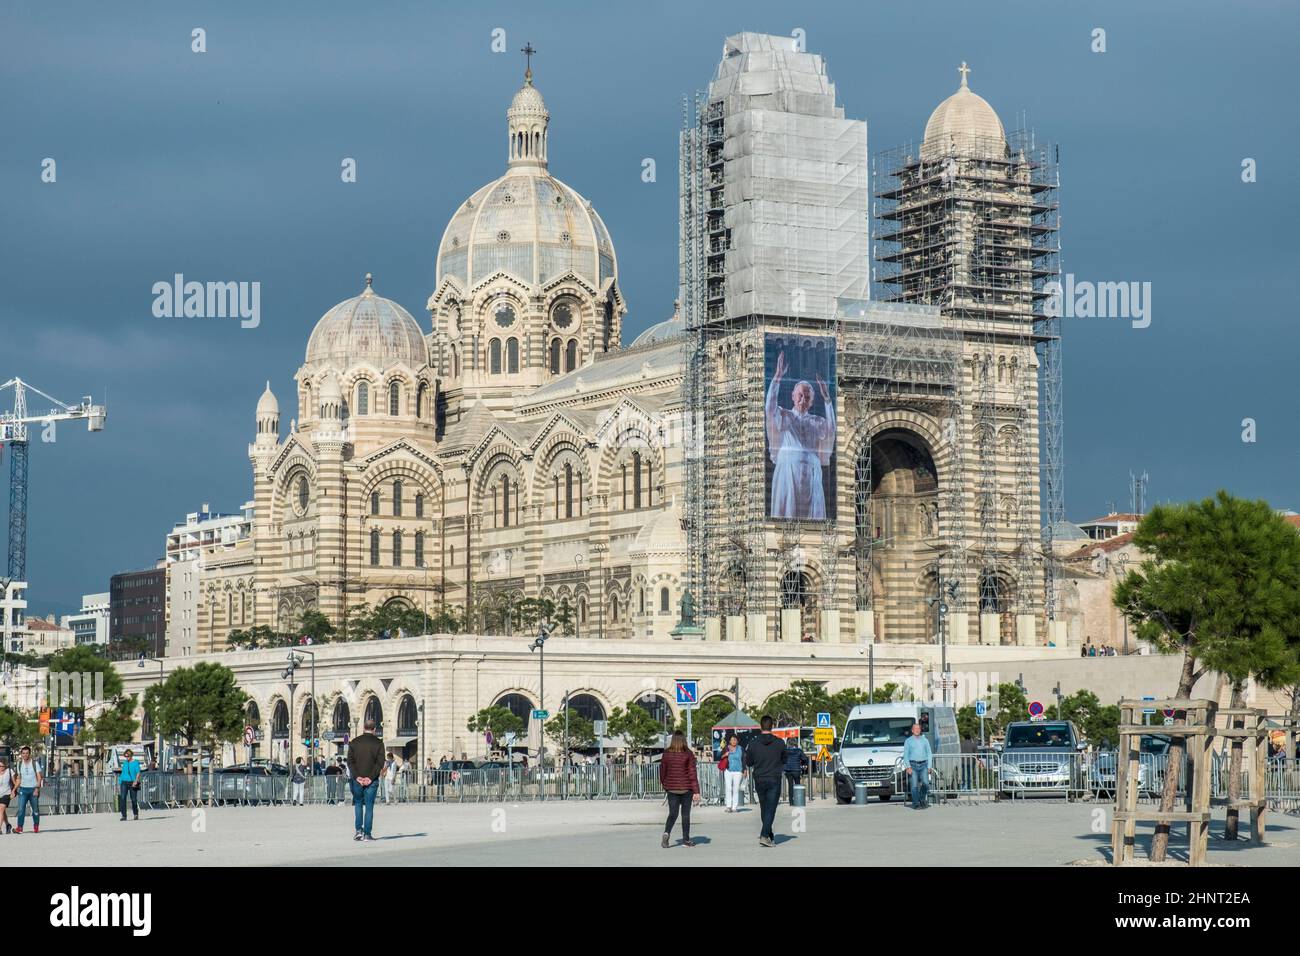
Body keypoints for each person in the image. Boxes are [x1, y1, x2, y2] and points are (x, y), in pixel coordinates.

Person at [766, 349, 835, 520]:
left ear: (811, 401)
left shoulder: (816, 421)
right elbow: (769, 409)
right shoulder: (784, 415)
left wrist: (827, 400)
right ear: (793, 396)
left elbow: (831, 431)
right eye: (800, 395)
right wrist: (777, 378)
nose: (802, 400)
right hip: (788, 469)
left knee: (812, 516)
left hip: (810, 471)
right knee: (787, 511)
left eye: (807, 397)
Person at [744, 716, 786, 847]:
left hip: (759, 778)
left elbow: (749, 762)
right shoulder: (780, 743)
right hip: (774, 778)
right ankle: (764, 834)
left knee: (764, 808)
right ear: (772, 726)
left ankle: (769, 834)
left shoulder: (753, 743)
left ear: (760, 726)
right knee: (771, 809)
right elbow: (784, 759)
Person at [658, 730, 699, 848]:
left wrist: (665, 785)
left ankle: (666, 833)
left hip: (672, 789)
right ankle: (686, 840)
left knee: (672, 814)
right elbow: (692, 773)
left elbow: (662, 772)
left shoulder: (666, 753)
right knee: (685, 815)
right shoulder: (688, 754)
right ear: (684, 740)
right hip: (686, 788)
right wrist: (696, 791)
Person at [347, 720, 385, 842]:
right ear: (374, 729)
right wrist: (370, 777)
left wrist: (357, 776)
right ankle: (367, 834)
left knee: (358, 803)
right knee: (369, 806)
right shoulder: (379, 743)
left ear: (363, 728)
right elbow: (380, 763)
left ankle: (359, 831)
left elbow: (350, 762)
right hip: (371, 780)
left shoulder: (354, 742)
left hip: (357, 780)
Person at [902, 723, 933, 809]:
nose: (917, 730)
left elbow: (929, 753)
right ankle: (916, 803)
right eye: (915, 729)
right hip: (913, 765)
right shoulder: (908, 741)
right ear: (912, 730)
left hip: (923, 765)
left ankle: (922, 798)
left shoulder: (925, 740)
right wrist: (908, 767)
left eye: (918, 729)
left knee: (926, 784)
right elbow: (906, 755)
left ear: (920, 730)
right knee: (914, 785)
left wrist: (929, 766)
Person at [13, 745, 42, 833]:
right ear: (21, 754)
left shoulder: (35, 763)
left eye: (27, 753)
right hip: (23, 789)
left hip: (33, 789)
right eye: (23, 753)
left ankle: (36, 826)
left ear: (29, 754)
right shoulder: (19, 764)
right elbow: (18, 778)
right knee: (21, 809)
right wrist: (14, 789)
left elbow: (39, 777)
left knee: (35, 810)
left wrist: (37, 788)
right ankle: (20, 827)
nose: (25, 755)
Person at [719, 734, 745, 812]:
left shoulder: (741, 749)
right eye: (732, 740)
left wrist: (744, 770)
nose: (733, 741)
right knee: (728, 788)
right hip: (728, 770)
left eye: (735, 740)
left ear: (737, 741)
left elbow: (744, 759)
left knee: (736, 789)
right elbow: (720, 756)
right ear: (729, 741)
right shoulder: (726, 748)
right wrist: (725, 755)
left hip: (738, 771)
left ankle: (734, 807)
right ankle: (728, 806)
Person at [782, 737, 809, 804]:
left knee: (790, 785)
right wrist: (804, 764)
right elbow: (805, 759)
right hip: (796, 770)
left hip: (788, 770)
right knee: (797, 785)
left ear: (788, 743)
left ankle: (791, 802)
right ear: (795, 743)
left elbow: (782, 759)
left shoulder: (785, 751)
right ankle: (797, 800)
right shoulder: (799, 751)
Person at [118, 748, 142, 821]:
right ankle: (124, 816)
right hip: (124, 782)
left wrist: (136, 781)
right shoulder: (125, 763)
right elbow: (123, 773)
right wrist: (120, 782)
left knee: (134, 799)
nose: (126, 758)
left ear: (131, 755)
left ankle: (135, 814)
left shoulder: (135, 762)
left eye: (128, 756)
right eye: (125, 756)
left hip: (132, 782)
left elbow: (138, 772)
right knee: (122, 798)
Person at [0, 757, 13, 834]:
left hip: (6, 794)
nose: (0, 768)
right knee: (2, 811)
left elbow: (16, 781)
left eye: (2, 766)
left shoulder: (9, 771)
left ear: (5, 766)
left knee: (0, 810)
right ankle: (8, 825)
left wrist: (14, 791)